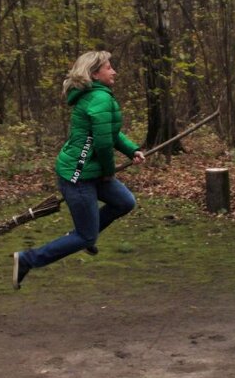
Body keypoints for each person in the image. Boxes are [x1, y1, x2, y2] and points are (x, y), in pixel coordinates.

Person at [13, 51, 144, 288]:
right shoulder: (99, 99)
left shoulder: (97, 95)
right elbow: (103, 144)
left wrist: (131, 150)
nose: (114, 71)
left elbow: (109, 134)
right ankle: (27, 260)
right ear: (95, 73)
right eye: (108, 67)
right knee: (86, 236)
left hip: (90, 170)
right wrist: (109, 171)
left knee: (124, 201)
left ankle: (84, 233)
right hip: (79, 174)